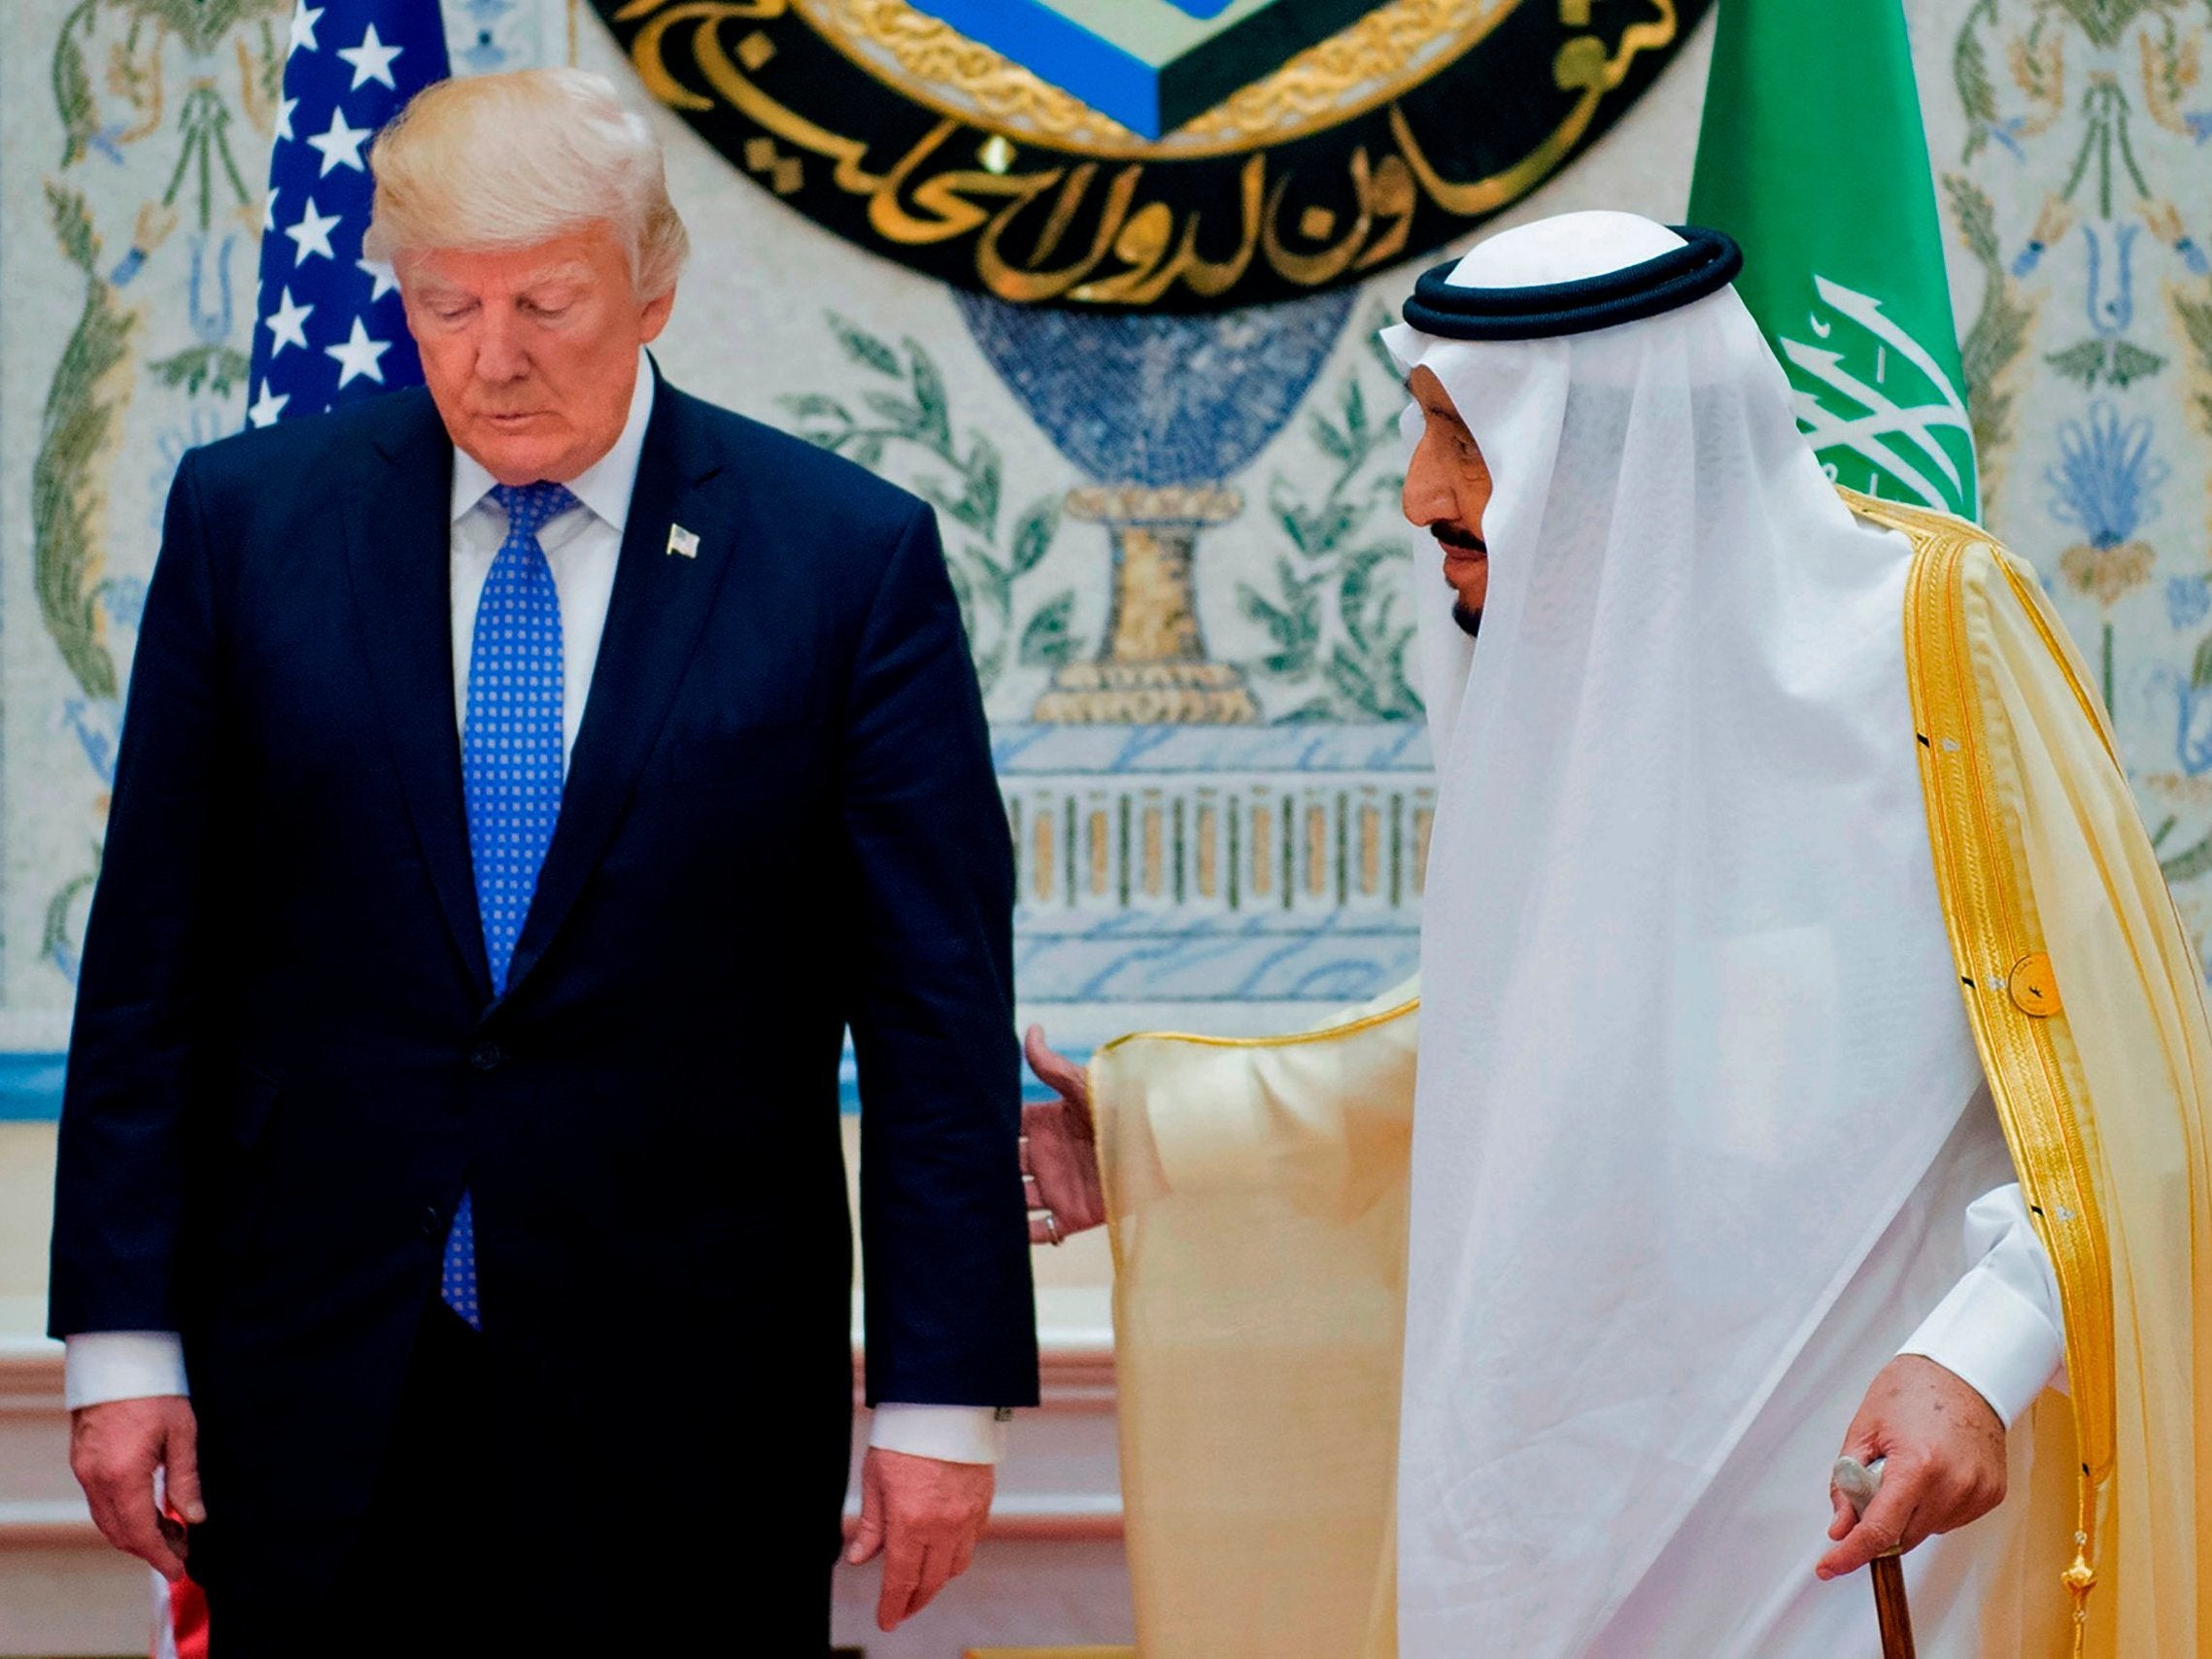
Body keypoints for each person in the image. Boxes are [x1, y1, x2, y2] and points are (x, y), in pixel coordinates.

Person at [1020, 211, 2212, 1656]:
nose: (1418, 496)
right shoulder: (1565, 706)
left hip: (1848, 1501)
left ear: (1600, 445)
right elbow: (1511, 1051)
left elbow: (2119, 1077)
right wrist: (1162, 1128)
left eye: (1462, 438)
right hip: (1547, 1504)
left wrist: (1980, 1358)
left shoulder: (1926, 639)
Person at [49, 68, 1037, 1656]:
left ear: (651, 287)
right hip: (313, 1388)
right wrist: (118, 1343)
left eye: (546, 304)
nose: (492, 360)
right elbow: (158, 959)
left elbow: (933, 1019)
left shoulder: (843, 559)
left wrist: (941, 1394)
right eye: (445, 307)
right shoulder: (252, 523)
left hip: (692, 1398)